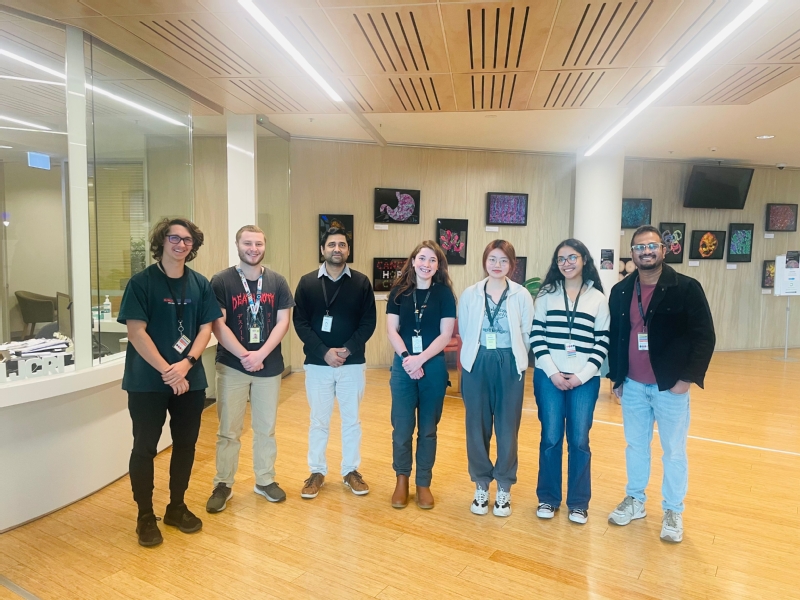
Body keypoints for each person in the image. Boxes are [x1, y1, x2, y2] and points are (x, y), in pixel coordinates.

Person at [607, 225, 715, 543]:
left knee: (674, 451)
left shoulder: (686, 288)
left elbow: (705, 337)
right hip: (633, 385)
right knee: (636, 446)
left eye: (652, 245)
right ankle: (635, 500)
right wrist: (617, 377)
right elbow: (616, 336)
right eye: (640, 247)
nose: (646, 251)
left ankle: (673, 510)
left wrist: (686, 379)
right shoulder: (621, 290)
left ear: (663, 250)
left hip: (671, 387)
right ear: (632, 253)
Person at [118, 218, 222, 547]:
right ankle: (145, 516)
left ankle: (176, 507)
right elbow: (136, 332)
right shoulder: (141, 283)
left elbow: (206, 327)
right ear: (161, 242)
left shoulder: (199, 283)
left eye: (187, 240)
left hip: (189, 380)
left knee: (186, 444)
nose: (181, 244)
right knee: (145, 447)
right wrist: (169, 371)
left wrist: (187, 364)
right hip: (147, 381)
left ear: (193, 246)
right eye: (174, 238)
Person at [205, 225, 295, 513]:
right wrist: (245, 355)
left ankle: (265, 480)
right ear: (237, 245)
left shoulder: (277, 282)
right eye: (247, 243)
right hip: (232, 365)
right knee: (228, 431)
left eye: (258, 243)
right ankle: (223, 483)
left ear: (264, 246)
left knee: (266, 429)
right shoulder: (221, 281)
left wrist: (260, 355)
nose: (253, 249)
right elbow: (218, 324)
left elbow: (283, 322)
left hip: (269, 367)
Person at [530, 239, 610, 524]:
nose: (567, 263)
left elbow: (602, 341)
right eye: (561, 259)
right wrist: (553, 372)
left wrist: (581, 376)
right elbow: (536, 335)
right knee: (551, 438)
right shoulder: (546, 295)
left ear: (584, 259)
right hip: (548, 377)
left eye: (572, 257)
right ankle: (548, 498)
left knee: (579, 440)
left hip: (584, 380)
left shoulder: (598, 299)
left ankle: (578, 503)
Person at [293, 227, 377, 499]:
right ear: (322, 249)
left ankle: (350, 471)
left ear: (348, 250)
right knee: (318, 420)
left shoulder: (361, 282)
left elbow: (368, 323)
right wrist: (324, 352)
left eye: (342, 244)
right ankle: (316, 471)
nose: (337, 249)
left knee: (352, 421)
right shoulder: (307, 283)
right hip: (318, 364)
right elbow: (300, 323)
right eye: (331, 244)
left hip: (352, 364)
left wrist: (347, 350)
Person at [458, 240, 533, 517]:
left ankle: (504, 486)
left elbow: (526, 332)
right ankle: (481, 484)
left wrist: (514, 356)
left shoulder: (521, 295)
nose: (497, 265)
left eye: (503, 260)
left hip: (509, 363)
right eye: (492, 259)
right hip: (477, 361)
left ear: (512, 265)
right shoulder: (471, 294)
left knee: (507, 426)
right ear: (484, 261)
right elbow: (465, 330)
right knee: (476, 426)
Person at [386, 241, 456, 510]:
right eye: (422, 258)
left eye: (433, 260)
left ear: (438, 266)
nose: (426, 264)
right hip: (403, 366)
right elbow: (392, 330)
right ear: (413, 261)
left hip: (433, 366)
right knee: (402, 427)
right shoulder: (398, 292)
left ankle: (423, 482)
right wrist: (408, 359)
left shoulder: (444, 294)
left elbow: (445, 334)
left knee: (428, 429)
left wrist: (420, 359)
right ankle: (401, 480)